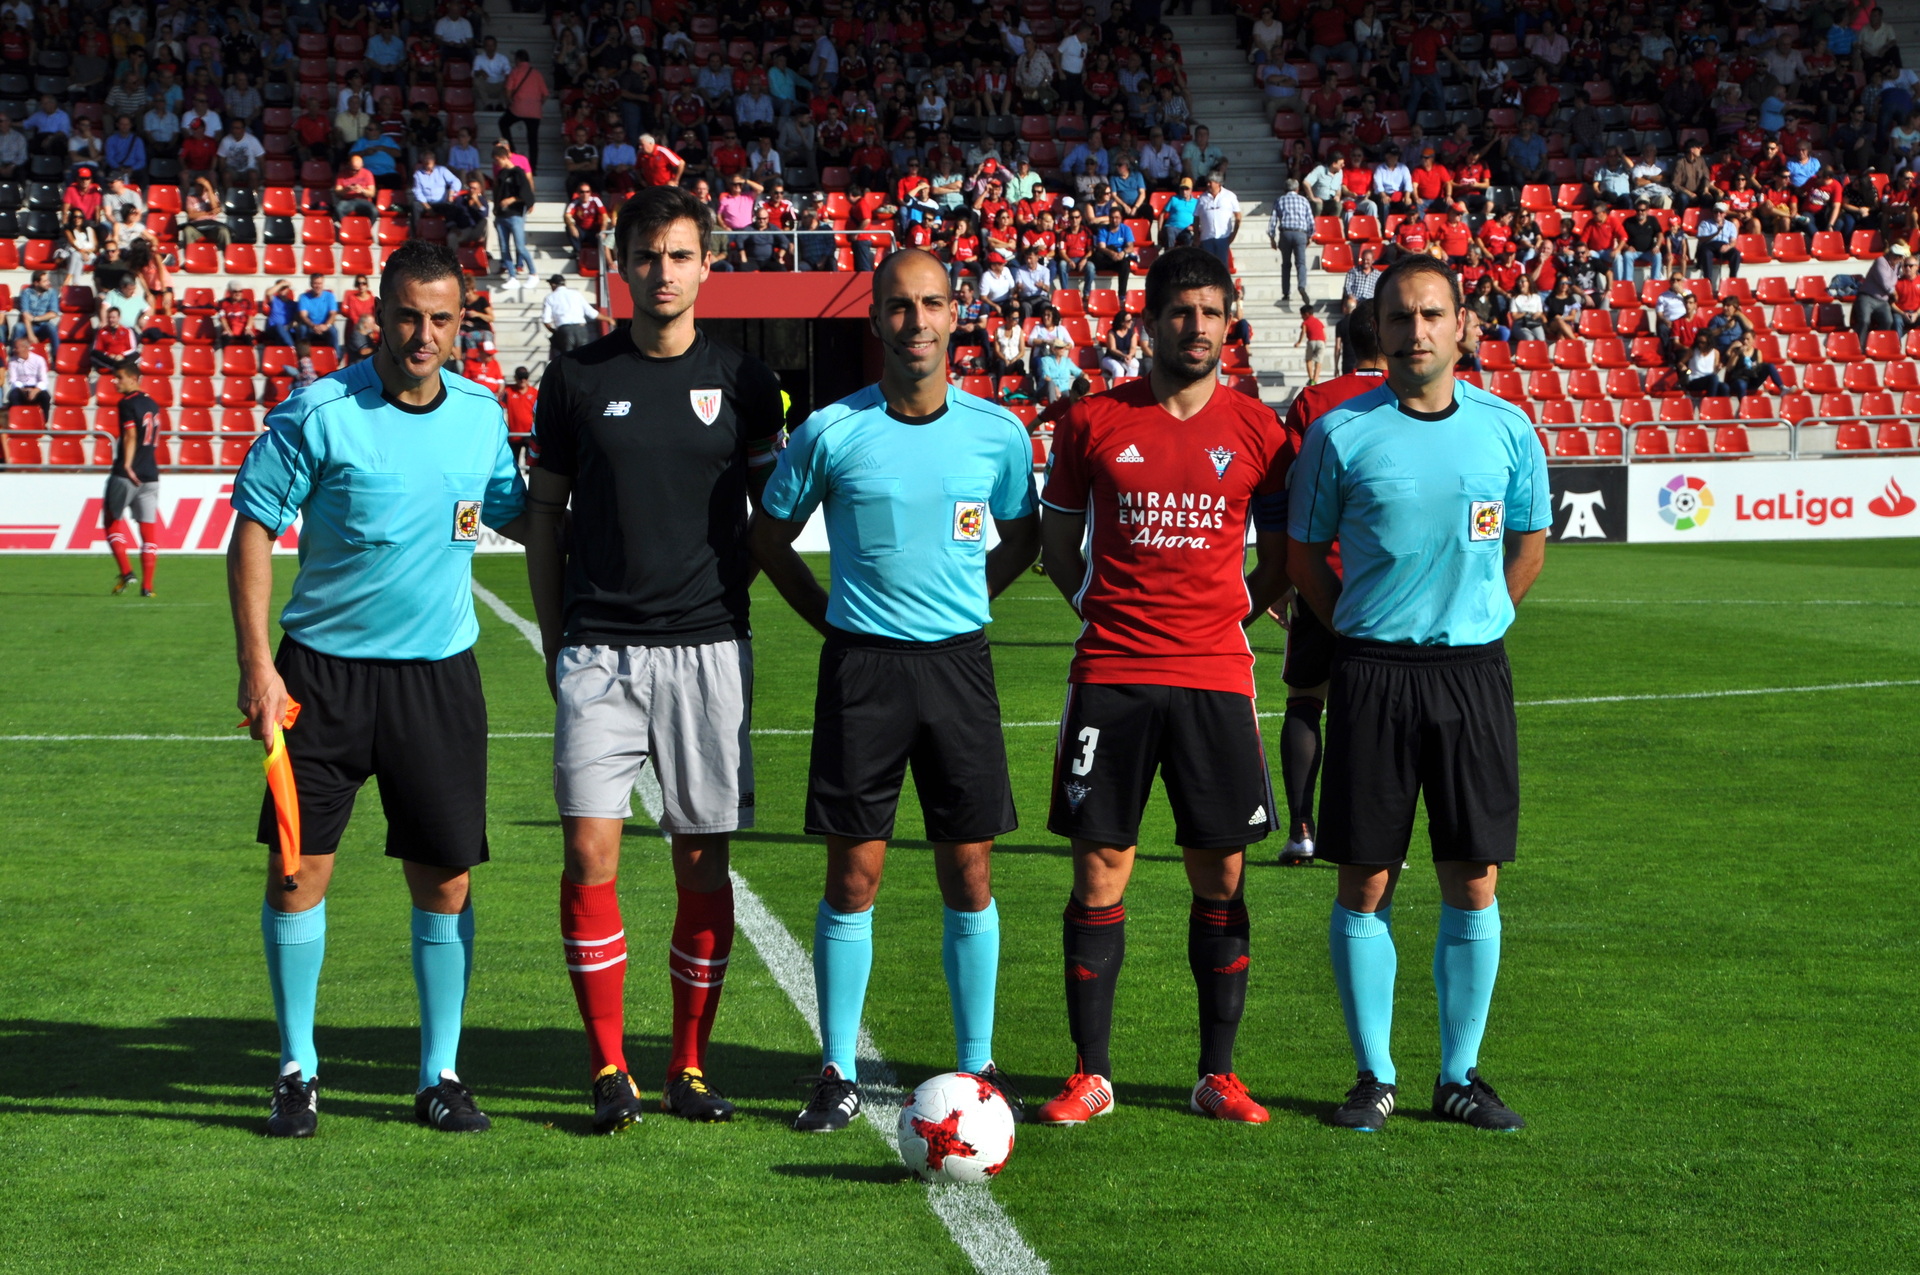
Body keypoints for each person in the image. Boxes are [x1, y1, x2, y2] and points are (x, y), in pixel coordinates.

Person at [229, 241, 530, 1139]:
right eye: (407, 316)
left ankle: (440, 1074)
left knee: (446, 880)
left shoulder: (481, 415)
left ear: (462, 322)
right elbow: (253, 530)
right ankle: (296, 1070)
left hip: (438, 679)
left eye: (440, 318)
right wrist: (257, 664)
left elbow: (520, 509)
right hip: (319, 680)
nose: (422, 334)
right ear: (379, 316)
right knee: (296, 873)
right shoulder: (318, 412)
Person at [748, 248, 1040, 1133]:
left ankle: (978, 1063)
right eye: (899, 306)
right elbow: (768, 537)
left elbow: (1024, 536)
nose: (916, 322)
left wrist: (968, 601)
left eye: (931, 304)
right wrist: (829, 618)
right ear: (875, 318)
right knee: (854, 872)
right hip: (862, 670)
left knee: (971, 868)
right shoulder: (831, 430)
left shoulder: (998, 433)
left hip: (959, 669)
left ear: (956, 315)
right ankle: (837, 1067)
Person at [523, 184, 784, 1132]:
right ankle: (607, 1065)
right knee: (588, 851)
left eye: (679, 254)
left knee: (702, 859)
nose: (663, 271)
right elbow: (544, 517)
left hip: (709, 647)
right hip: (599, 649)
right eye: (647, 255)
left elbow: (771, 521)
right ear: (620, 266)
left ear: (707, 264)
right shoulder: (575, 378)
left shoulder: (747, 382)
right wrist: (555, 638)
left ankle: (688, 1064)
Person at [1030, 247, 1294, 1128]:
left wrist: (1230, 614)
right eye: (1181, 312)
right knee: (1101, 868)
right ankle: (1091, 1074)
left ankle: (1218, 1074)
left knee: (1220, 870)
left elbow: (1283, 558)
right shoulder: (1092, 421)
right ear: (1149, 323)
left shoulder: (1260, 431)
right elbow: (1057, 545)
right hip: (1111, 673)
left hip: (1215, 678)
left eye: (1211, 312)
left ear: (1230, 322)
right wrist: (1098, 607)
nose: (1197, 327)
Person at [1286, 254, 1549, 1133]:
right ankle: (1375, 1076)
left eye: (1433, 313)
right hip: (1372, 674)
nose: (1417, 330)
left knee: (1473, 877)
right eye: (1399, 316)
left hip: (1473, 675)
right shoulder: (1340, 433)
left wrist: (1478, 617)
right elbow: (1304, 559)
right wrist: (1363, 630)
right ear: (1379, 328)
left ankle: (1459, 1075)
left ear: (1462, 323)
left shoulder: (1508, 429)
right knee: (1365, 878)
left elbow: (1528, 546)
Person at [103, 364, 163, 597]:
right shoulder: (152, 403)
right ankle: (147, 587)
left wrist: (127, 465)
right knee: (148, 531)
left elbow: (130, 435)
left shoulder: (127, 403)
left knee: (111, 521)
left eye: (119, 377)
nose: (115, 382)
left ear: (133, 378)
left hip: (127, 474)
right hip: (151, 474)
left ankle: (127, 572)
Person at [492, 146, 537, 283]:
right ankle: (512, 275)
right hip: (501, 215)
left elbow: (527, 195)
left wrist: (512, 199)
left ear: (504, 158)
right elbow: (497, 193)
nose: (496, 164)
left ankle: (533, 273)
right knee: (504, 248)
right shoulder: (501, 174)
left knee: (520, 247)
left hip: (515, 215)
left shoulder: (518, 173)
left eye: (497, 160)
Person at [501, 50, 550, 172]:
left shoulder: (515, 72)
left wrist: (510, 101)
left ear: (517, 60)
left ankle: (512, 150)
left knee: (503, 123)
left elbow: (508, 91)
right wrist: (537, 104)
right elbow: (545, 94)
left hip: (518, 108)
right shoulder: (537, 73)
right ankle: (533, 168)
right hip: (534, 111)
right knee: (533, 140)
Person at [1270, 178, 1314, 305]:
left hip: (1285, 233)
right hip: (1300, 233)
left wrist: (1272, 238)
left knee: (1286, 264)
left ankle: (1286, 293)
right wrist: (1310, 236)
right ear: (1297, 189)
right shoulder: (1304, 200)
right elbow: (1310, 220)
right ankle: (1302, 286)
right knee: (1301, 263)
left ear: (1284, 189)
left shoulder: (1280, 200)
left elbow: (1273, 220)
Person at [543, 275, 604, 354]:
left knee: (568, 356)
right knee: (583, 355)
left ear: (553, 285)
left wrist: (554, 331)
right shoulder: (576, 294)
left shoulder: (550, 297)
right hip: (581, 328)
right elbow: (591, 312)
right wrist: (608, 319)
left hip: (564, 329)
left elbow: (546, 320)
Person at [4, 334, 48, 410]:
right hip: (20, 388)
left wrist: (35, 391)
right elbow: (12, 380)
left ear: (26, 348)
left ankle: (44, 417)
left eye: (16, 348)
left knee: (45, 396)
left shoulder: (39, 360)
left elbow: (44, 380)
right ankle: (17, 416)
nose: (14, 350)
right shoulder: (12, 361)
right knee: (13, 395)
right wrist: (23, 390)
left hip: (36, 387)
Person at [90, 306, 139, 373]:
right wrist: (109, 355)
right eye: (109, 317)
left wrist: (122, 355)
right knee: (94, 354)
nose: (111, 320)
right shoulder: (101, 331)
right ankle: (118, 366)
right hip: (109, 359)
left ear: (119, 318)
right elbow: (97, 348)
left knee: (136, 354)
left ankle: (119, 366)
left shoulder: (127, 331)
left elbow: (132, 348)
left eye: (113, 317)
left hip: (123, 357)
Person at [1297, 304, 1326, 383]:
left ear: (1306, 314)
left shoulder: (1305, 322)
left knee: (1309, 360)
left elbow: (1303, 332)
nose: (1301, 317)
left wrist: (1299, 342)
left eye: (1302, 315)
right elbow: (1324, 333)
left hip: (1311, 342)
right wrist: (1324, 342)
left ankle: (1311, 378)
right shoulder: (1318, 321)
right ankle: (1315, 380)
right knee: (1318, 362)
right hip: (1321, 342)